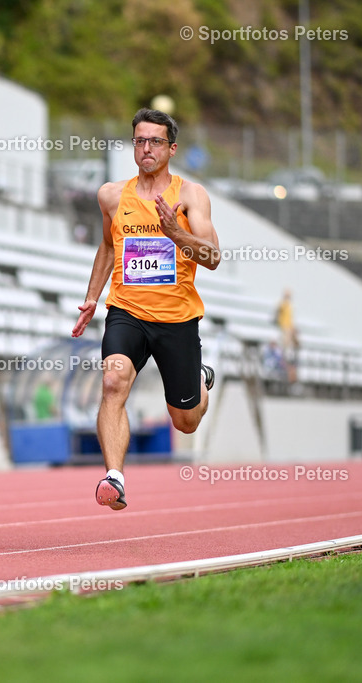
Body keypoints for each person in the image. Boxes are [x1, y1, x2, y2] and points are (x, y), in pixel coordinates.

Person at [71, 109, 221, 511]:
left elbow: (213, 258)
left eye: (155, 141)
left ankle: (201, 382)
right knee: (112, 381)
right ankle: (114, 478)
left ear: (171, 149)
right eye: (140, 140)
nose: (147, 148)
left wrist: (176, 232)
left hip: (177, 318)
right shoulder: (111, 195)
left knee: (185, 421)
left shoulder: (191, 196)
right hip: (127, 310)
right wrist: (91, 297)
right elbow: (107, 245)